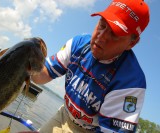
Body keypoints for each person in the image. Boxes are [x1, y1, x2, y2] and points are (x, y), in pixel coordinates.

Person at [31, 0, 150, 132]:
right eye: (102, 25)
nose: (101, 37)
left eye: (114, 34)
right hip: (64, 114)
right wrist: (24, 63)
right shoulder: (79, 43)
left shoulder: (130, 82)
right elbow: (42, 75)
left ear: (131, 43)